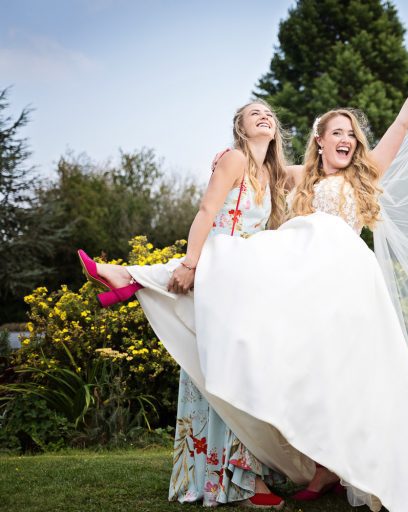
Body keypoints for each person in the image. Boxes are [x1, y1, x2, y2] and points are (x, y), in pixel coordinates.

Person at [82, 55, 408, 512]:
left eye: (352, 134)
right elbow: (252, 172)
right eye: (337, 133)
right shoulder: (300, 176)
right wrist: (229, 156)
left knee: (342, 370)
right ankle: (134, 277)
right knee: (239, 268)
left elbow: (403, 122)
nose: (346, 140)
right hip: (305, 274)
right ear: (320, 142)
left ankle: (131, 277)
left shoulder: (365, 172)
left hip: (344, 280)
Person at [78, 99, 294, 509]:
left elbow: (318, 174)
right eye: (255, 114)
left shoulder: (272, 172)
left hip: (245, 283)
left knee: (229, 369)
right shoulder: (233, 159)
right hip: (221, 268)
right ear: (240, 129)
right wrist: (192, 262)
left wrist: (337, 144)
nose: (265, 116)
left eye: (269, 113)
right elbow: (206, 211)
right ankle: (238, 482)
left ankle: (126, 275)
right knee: (232, 372)